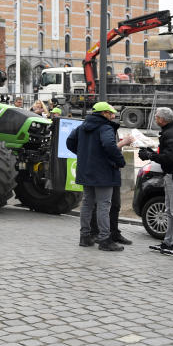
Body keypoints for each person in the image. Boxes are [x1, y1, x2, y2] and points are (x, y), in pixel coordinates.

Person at [66, 101, 128, 251]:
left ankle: (85, 237)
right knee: (103, 205)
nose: (113, 116)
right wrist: (120, 161)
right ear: (104, 113)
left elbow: (69, 142)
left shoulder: (82, 127)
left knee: (87, 203)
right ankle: (104, 239)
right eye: (111, 113)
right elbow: (109, 145)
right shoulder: (105, 127)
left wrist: (83, 155)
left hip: (86, 170)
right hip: (103, 172)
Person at [139, 107, 173, 256]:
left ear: (162, 120)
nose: (155, 119)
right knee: (169, 210)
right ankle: (168, 242)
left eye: (156, 117)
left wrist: (150, 155)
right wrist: (151, 153)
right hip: (172, 174)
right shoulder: (172, 131)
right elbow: (168, 154)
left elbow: (170, 156)